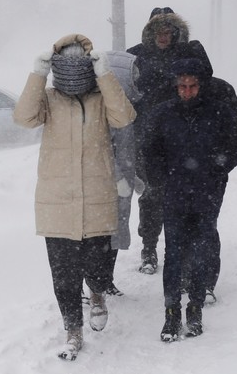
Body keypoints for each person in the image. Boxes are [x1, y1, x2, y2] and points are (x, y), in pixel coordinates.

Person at [13, 33, 136, 360]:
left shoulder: (101, 100)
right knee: (64, 276)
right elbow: (23, 118)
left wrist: (104, 74)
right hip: (57, 203)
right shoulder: (49, 100)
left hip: (97, 197)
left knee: (97, 266)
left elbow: (125, 117)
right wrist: (37, 74)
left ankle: (97, 294)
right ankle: (72, 331)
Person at [141, 58, 237, 342]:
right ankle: (171, 311)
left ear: (201, 86)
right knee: (174, 251)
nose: (187, 92)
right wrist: (159, 177)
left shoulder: (219, 112)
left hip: (207, 192)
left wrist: (218, 167)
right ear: (176, 86)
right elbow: (149, 150)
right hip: (174, 191)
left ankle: (196, 306)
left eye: (192, 86)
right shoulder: (162, 113)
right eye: (182, 87)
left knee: (201, 248)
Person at [97, 50, 141, 297]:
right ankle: (93, 284)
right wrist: (118, 178)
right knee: (99, 237)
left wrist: (132, 178)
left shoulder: (122, 107)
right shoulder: (103, 111)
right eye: (132, 74)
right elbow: (100, 150)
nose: (137, 78)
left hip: (119, 187)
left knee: (112, 236)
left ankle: (106, 280)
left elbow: (123, 150)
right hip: (104, 186)